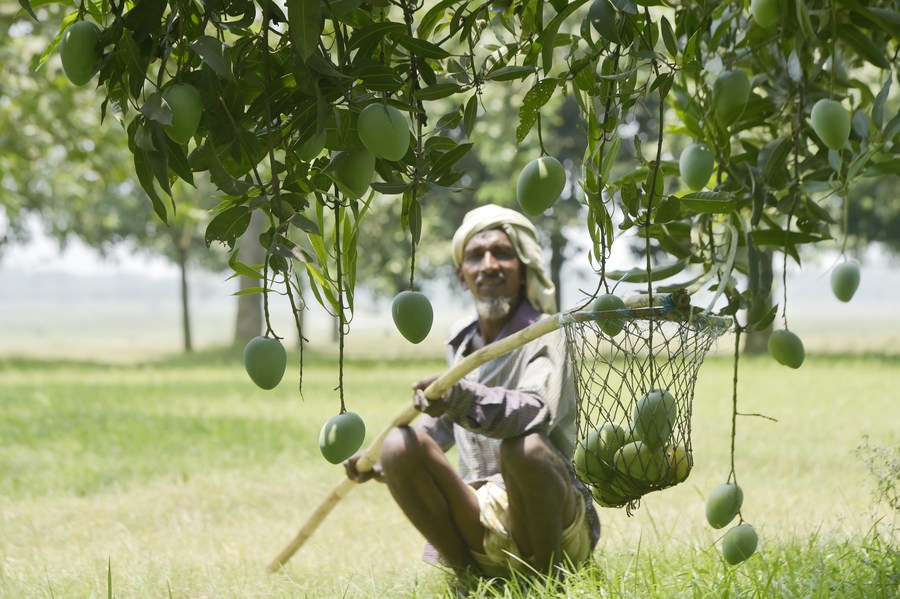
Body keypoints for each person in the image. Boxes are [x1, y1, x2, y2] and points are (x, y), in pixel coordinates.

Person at [345, 204, 600, 579]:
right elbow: (450, 424)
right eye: (476, 257)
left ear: (524, 266)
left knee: (523, 447)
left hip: (556, 529)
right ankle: (471, 578)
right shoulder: (462, 342)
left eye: (502, 254)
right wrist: (379, 459)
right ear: (462, 276)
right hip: (481, 516)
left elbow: (534, 411)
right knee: (400, 444)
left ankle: (549, 582)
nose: (489, 265)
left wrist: (461, 397)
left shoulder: (547, 334)